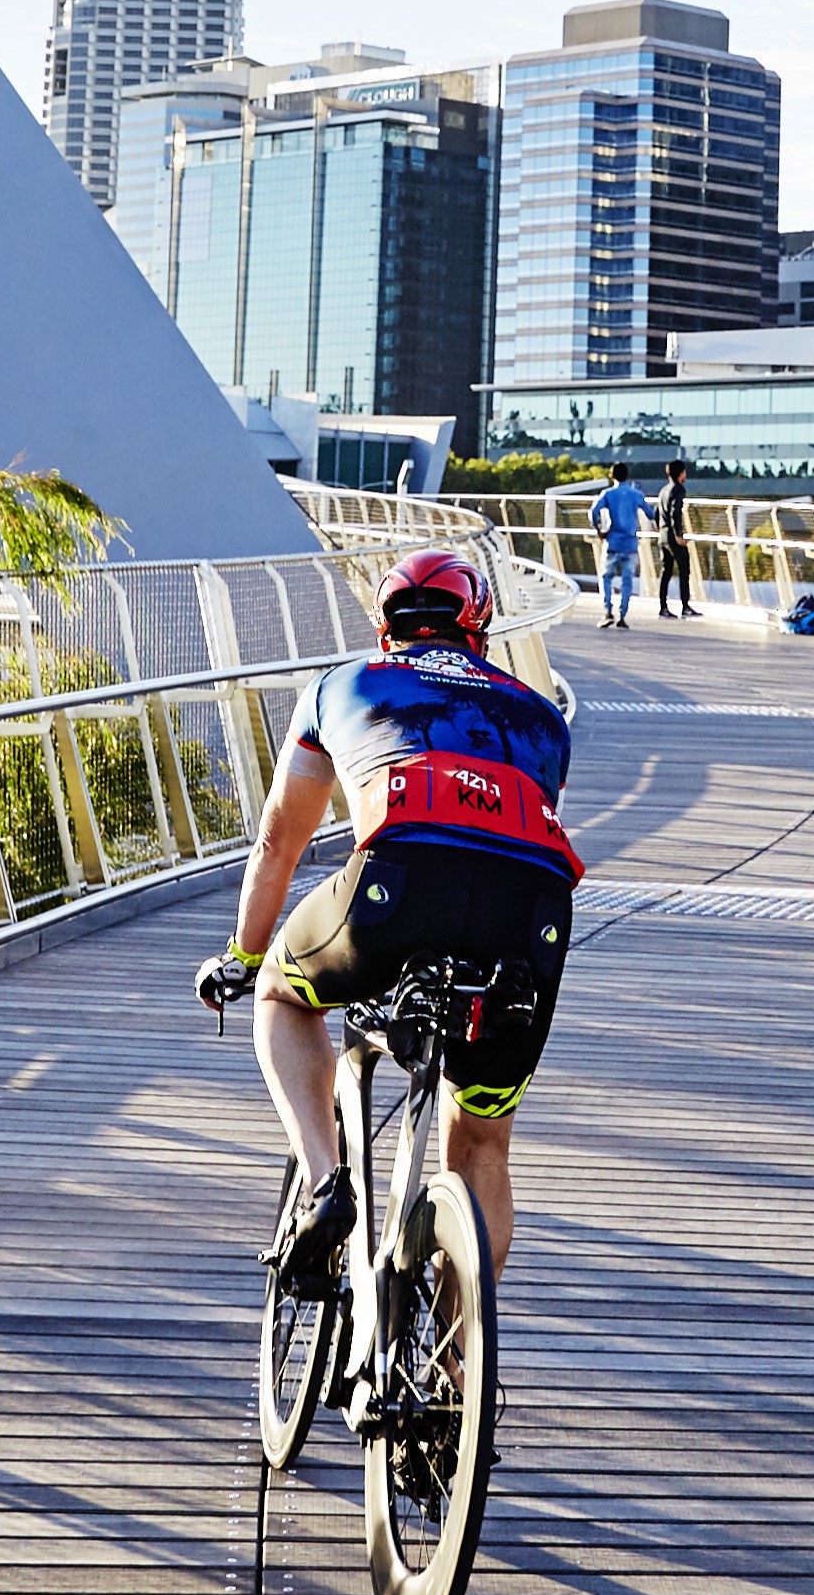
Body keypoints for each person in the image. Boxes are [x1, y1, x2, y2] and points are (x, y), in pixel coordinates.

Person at [195, 547, 579, 1284]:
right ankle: (462, 1371)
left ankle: (324, 1185)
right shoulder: (541, 715)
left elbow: (280, 841)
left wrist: (242, 958)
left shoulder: (342, 685)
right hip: (532, 913)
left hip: (396, 889)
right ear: (482, 626)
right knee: (484, 1146)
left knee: (282, 990)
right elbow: (506, 834)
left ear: (384, 626)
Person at [588, 476, 643, 631]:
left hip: (613, 542)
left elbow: (593, 511)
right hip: (630, 544)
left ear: (612, 476)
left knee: (606, 577)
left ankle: (608, 611)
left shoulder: (608, 494)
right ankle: (623, 615)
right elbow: (650, 511)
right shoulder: (635, 494)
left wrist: (598, 528)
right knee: (627, 580)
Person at [652, 469, 694, 617]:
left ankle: (663, 607)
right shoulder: (679, 489)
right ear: (680, 474)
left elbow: (656, 513)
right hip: (672, 537)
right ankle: (685, 606)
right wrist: (678, 535)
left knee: (666, 571)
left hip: (663, 536)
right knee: (684, 569)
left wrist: (660, 529)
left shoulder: (663, 490)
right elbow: (675, 512)